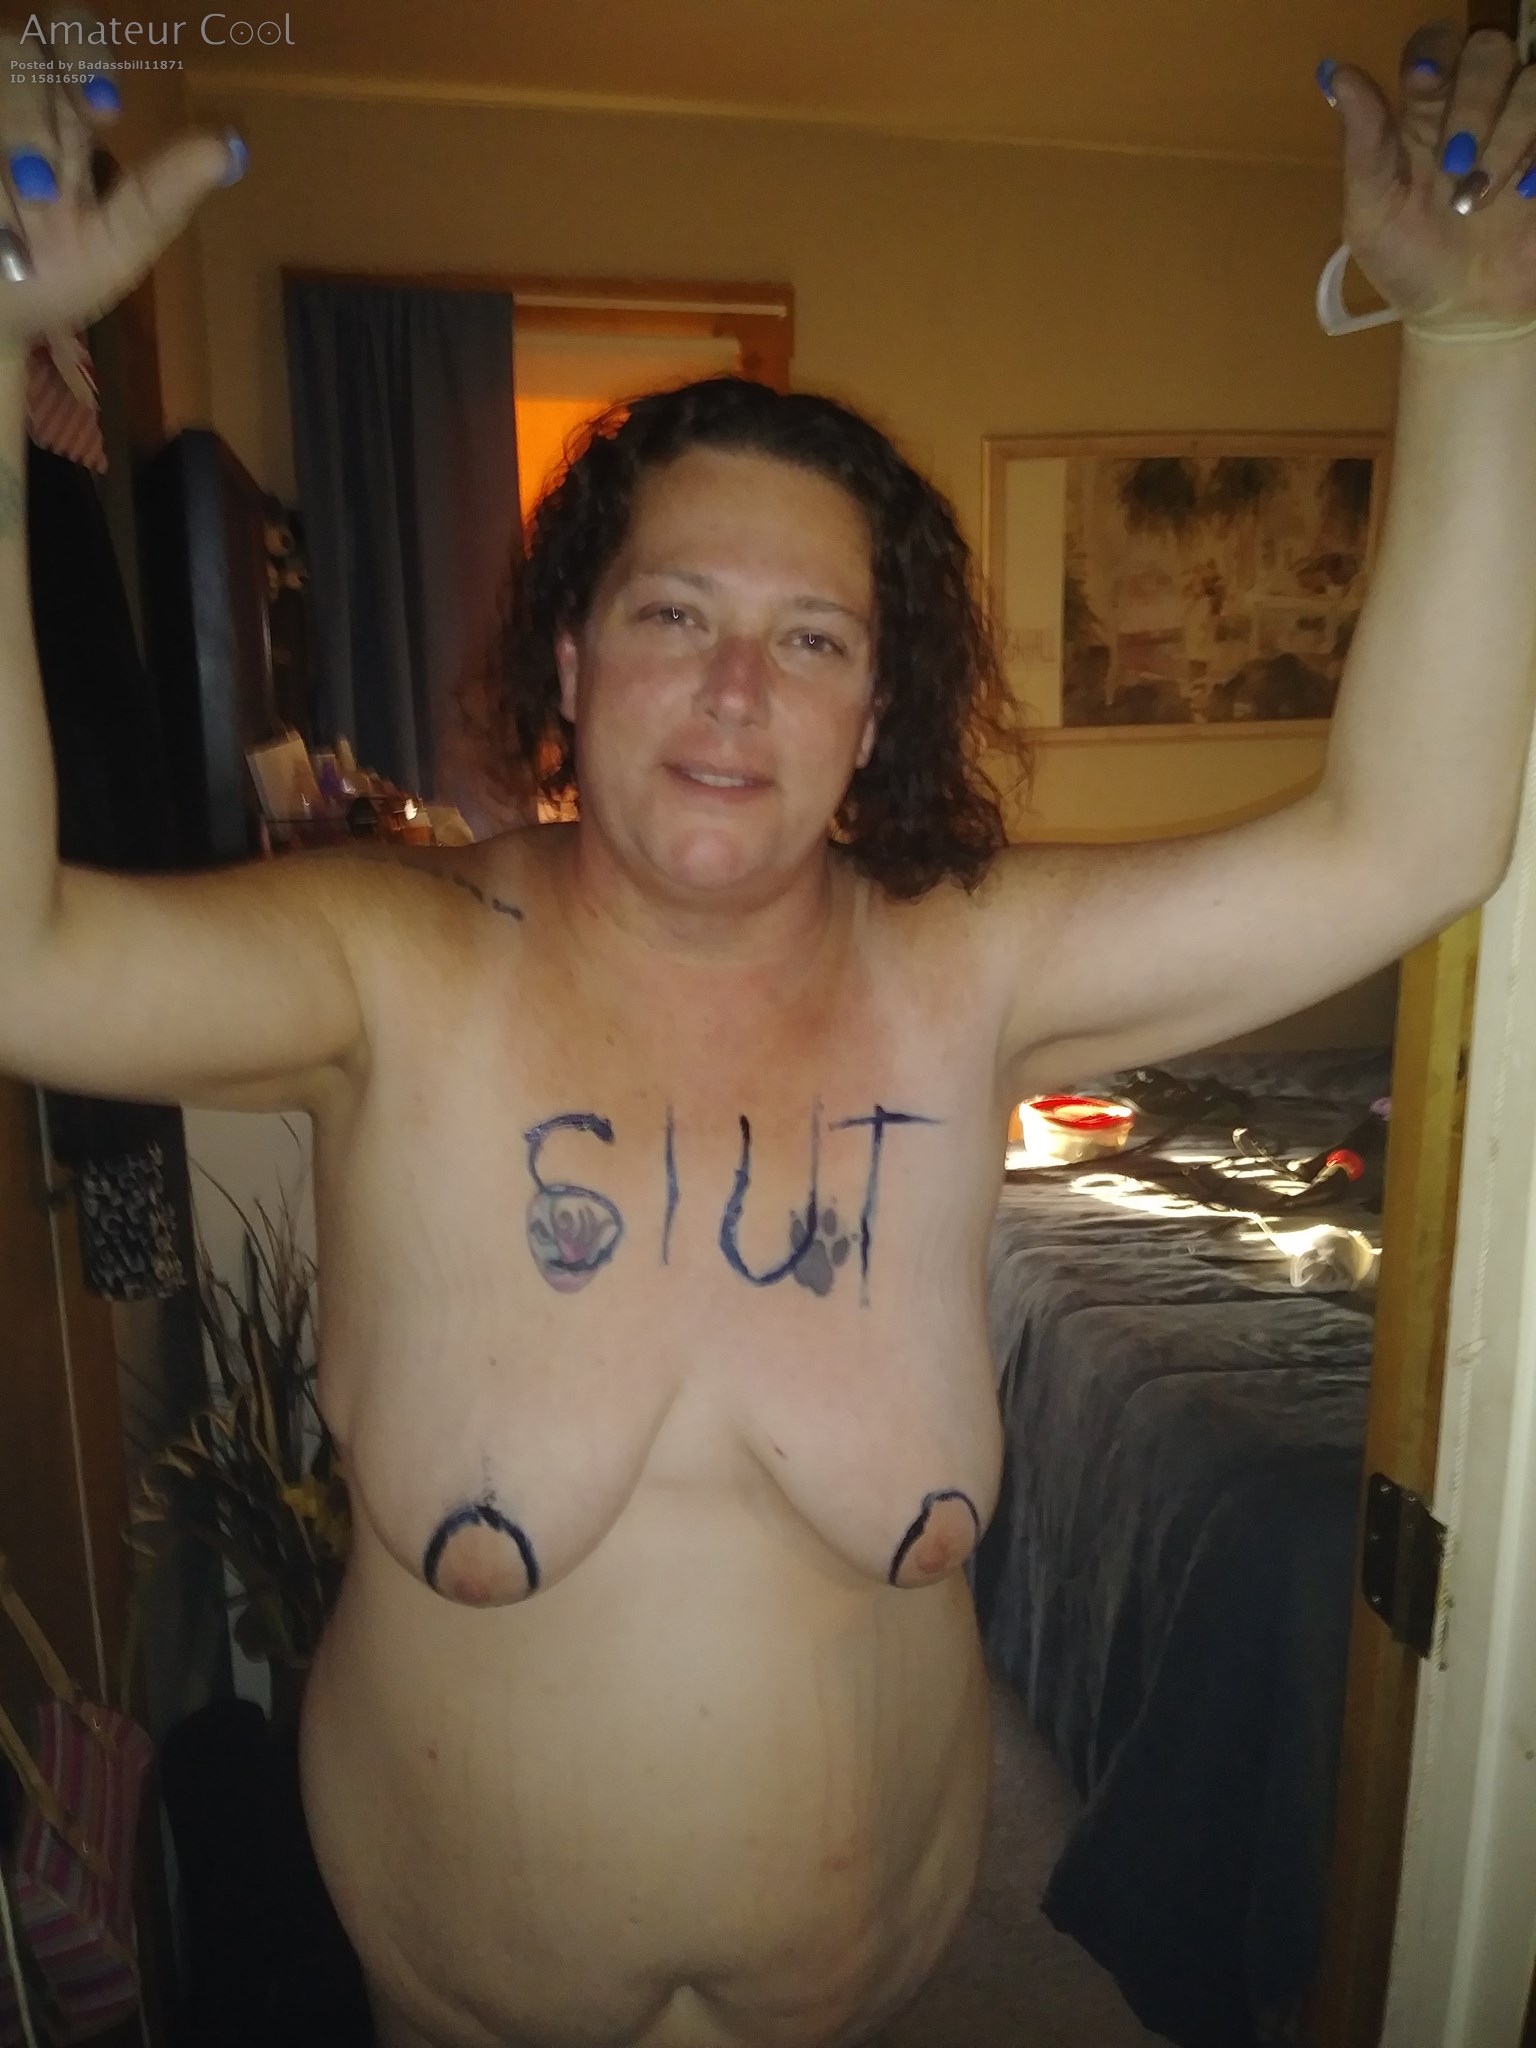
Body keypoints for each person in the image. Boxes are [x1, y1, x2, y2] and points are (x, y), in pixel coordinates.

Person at [2, 19, 1535, 2047]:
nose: (738, 692)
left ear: (874, 713)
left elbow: (1412, 839)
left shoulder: (967, 966)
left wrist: (1479, 333)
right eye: (675, 614)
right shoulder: (390, 962)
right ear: (571, 654)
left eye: (811, 639)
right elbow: (24, 955)